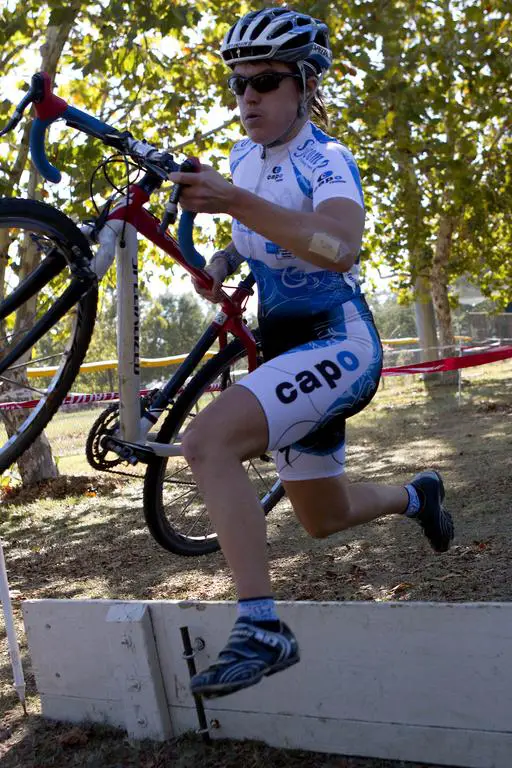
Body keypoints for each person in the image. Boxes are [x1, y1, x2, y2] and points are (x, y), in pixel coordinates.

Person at [169, 7, 454, 699]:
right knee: (321, 517)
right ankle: (417, 497)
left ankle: (262, 627)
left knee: (206, 442)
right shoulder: (243, 159)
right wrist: (219, 262)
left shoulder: (326, 160)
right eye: (237, 85)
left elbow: (338, 245)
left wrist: (237, 204)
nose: (248, 99)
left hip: (338, 342)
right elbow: (249, 242)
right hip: (285, 349)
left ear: (303, 83)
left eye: (265, 82)